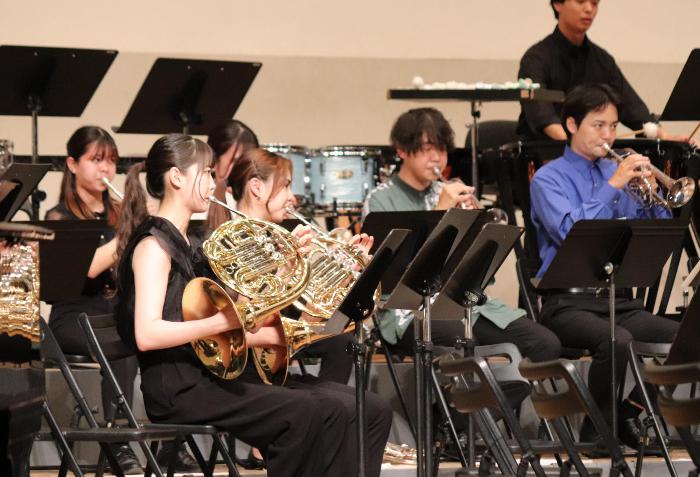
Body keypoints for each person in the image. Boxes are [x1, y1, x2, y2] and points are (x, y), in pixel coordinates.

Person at [115, 133, 391, 477]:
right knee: (305, 413)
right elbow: (147, 334)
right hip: (180, 389)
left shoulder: (189, 244)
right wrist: (222, 323)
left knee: (371, 409)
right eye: (206, 173)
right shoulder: (154, 247)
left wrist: (285, 264)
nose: (214, 183)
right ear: (176, 178)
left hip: (209, 375)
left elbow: (247, 314)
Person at [529, 84, 679, 450]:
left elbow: (654, 233)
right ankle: (597, 427)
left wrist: (651, 197)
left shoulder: (619, 175)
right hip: (567, 302)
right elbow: (569, 231)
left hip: (619, 299)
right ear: (570, 125)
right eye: (598, 125)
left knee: (687, 334)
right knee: (616, 340)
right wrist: (614, 184)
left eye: (612, 126)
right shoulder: (550, 178)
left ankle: (633, 408)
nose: (608, 135)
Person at [363, 108, 562, 365]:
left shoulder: (448, 190)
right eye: (426, 149)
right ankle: (462, 405)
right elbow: (394, 274)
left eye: (442, 149)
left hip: (463, 304)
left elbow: (479, 273)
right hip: (407, 312)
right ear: (401, 150)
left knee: (545, 343)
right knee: (464, 344)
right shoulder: (380, 199)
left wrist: (478, 231)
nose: (436, 158)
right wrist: (441, 214)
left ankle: (501, 405)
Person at [45, 126, 144, 474]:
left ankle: (167, 445)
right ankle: (118, 443)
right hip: (72, 317)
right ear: (72, 164)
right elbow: (86, 270)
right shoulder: (60, 217)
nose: (106, 170)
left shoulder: (120, 214)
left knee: (151, 333)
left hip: (112, 311)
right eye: (96, 160)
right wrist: (130, 233)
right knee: (120, 339)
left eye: (112, 162)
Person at [222, 147, 367, 385]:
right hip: (244, 366)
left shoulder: (275, 240)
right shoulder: (232, 242)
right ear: (257, 187)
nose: (293, 198)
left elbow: (304, 324)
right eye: (286, 186)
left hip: (278, 354)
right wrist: (286, 268)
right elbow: (246, 322)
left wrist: (343, 274)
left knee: (344, 343)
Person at [517, 0, 692, 144]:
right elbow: (543, 117)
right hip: (544, 155)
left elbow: (633, 107)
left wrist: (665, 136)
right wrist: (578, 143)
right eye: (580, 2)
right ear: (558, 4)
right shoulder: (536, 58)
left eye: (594, 3)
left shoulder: (602, 60)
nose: (589, 9)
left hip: (587, 153)